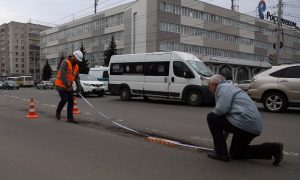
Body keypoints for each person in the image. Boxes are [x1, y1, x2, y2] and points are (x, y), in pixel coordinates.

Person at [206, 74, 283, 165]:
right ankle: (273, 149)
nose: (208, 88)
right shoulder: (232, 88)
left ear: (214, 84)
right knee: (236, 153)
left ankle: (221, 154)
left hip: (243, 122)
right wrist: (221, 141)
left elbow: (221, 111)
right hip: (251, 125)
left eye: (208, 85)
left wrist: (220, 149)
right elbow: (225, 120)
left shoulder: (223, 87)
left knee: (211, 117)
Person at [55, 50, 84, 123]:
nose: (77, 62)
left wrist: (79, 87)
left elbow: (77, 78)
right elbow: (63, 75)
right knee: (64, 99)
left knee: (71, 101)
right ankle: (58, 111)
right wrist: (68, 85)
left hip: (69, 86)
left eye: (78, 61)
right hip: (60, 85)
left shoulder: (76, 67)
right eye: (77, 60)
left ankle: (70, 118)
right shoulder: (65, 62)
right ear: (73, 57)